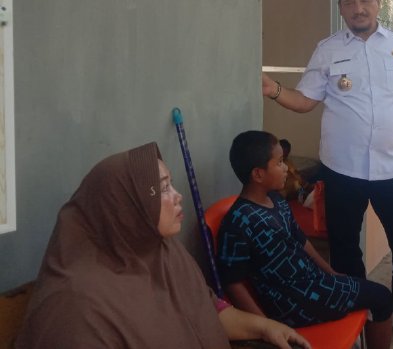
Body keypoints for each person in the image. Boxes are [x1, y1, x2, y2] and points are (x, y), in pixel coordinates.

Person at [260, 0, 393, 348]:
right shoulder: (328, 50)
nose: (359, 9)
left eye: (365, 0)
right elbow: (305, 101)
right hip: (342, 169)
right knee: (344, 247)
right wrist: (273, 89)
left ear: (378, 2)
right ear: (340, 7)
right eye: (350, 2)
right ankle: (355, 314)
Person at [15, 143, 309, 349]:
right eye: (163, 188)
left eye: (172, 184)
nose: (178, 196)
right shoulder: (76, 308)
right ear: (124, 208)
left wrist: (265, 327)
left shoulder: (163, 253)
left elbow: (207, 311)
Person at [217, 130, 393, 349]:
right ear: (258, 174)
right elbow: (233, 283)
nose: (286, 168)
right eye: (279, 162)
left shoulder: (276, 200)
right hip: (292, 303)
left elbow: (300, 239)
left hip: (313, 283)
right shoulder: (238, 222)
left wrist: (330, 272)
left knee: (371, 293)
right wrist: (265, 326)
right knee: (382, 297)